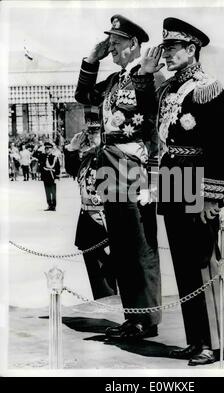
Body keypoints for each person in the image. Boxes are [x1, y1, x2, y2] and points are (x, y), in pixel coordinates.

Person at [143, 17, 224, 365]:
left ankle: (212, 342)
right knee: (182, 266)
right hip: (172, 183)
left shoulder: (208, 88)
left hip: (196, 183)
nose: (167, 54)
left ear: (191, 49)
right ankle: (195, 339)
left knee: (200, 263)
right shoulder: (167, 89)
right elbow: (150, 122)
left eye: (173, 48)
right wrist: (146, 74)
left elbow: (218, 146)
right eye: (165, 48)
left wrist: (212, 195)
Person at [75, 14, 163, 339]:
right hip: (111, 165)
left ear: (134, 44)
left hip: (134, 166)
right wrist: (90, 60)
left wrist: (152, 179)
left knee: (140, 245)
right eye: (109, 42)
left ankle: (146, 318)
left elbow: (153, 120)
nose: (111, 47)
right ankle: (133, 317)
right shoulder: (114, 80)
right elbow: (83, 97)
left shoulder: (150, 74)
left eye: (116, 42)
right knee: (123, 246)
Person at [65, 111, 117, 299]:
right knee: (97, 277)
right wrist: (71, 148)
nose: (90, 137)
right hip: (88, 223)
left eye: (94, 133)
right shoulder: (87, 157)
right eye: (88, 133)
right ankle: (104, 307)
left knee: (113, 276)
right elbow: (72, 169)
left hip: (108, 221)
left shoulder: (112, 155)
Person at [39, 141, 60, 211]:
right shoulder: (43, 157)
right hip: (45, 177)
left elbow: (57, 168)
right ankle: (49, 205)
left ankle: (53, 206)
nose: (47, 150)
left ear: (52, 149)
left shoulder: (54, 158)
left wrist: (57, 177)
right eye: (46, 148)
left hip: (52, 177)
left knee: (53, 192)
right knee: (47, 191)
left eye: (49, 148)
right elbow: (41, 166)